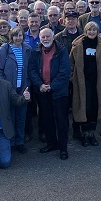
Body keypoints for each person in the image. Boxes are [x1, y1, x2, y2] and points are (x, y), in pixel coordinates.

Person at [29, 28, 71, 160]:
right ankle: (51, 143)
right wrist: (40, 85)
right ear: (40, 38)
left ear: (53, 37)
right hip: (42, 91)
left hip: (59, 92)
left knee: (61, 120)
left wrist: (52, 86)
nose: (45, 39)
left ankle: (63, 148)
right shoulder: (35, 51)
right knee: (46, 119)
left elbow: (65, 71)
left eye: (48, 36)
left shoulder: (61, 50)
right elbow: (32, 69)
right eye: (43, 37)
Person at [69, 22, 101, 147]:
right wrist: (72, 77)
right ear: (85, 32)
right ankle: (85, 133)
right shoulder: (78, 45)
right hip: (82, 82)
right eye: (89, 30)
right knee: (84, 107)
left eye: (94, 30)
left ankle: (92, 133)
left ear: (97, 32)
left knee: (95, 107)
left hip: (97, 81)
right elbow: (71, 62)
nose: (91, 32)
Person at [0, 25, 31, 152]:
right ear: (11, 36)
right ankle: (10, 142)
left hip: (23, 88)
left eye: (20, 35)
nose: (18, 38)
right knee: (10, 116)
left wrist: (28, 86)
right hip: (9, 88)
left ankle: (19, 141)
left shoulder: (27, 49)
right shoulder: (5, 48)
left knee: (21, 117)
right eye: (15, 35)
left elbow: (30, 69)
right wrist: (5, 85)